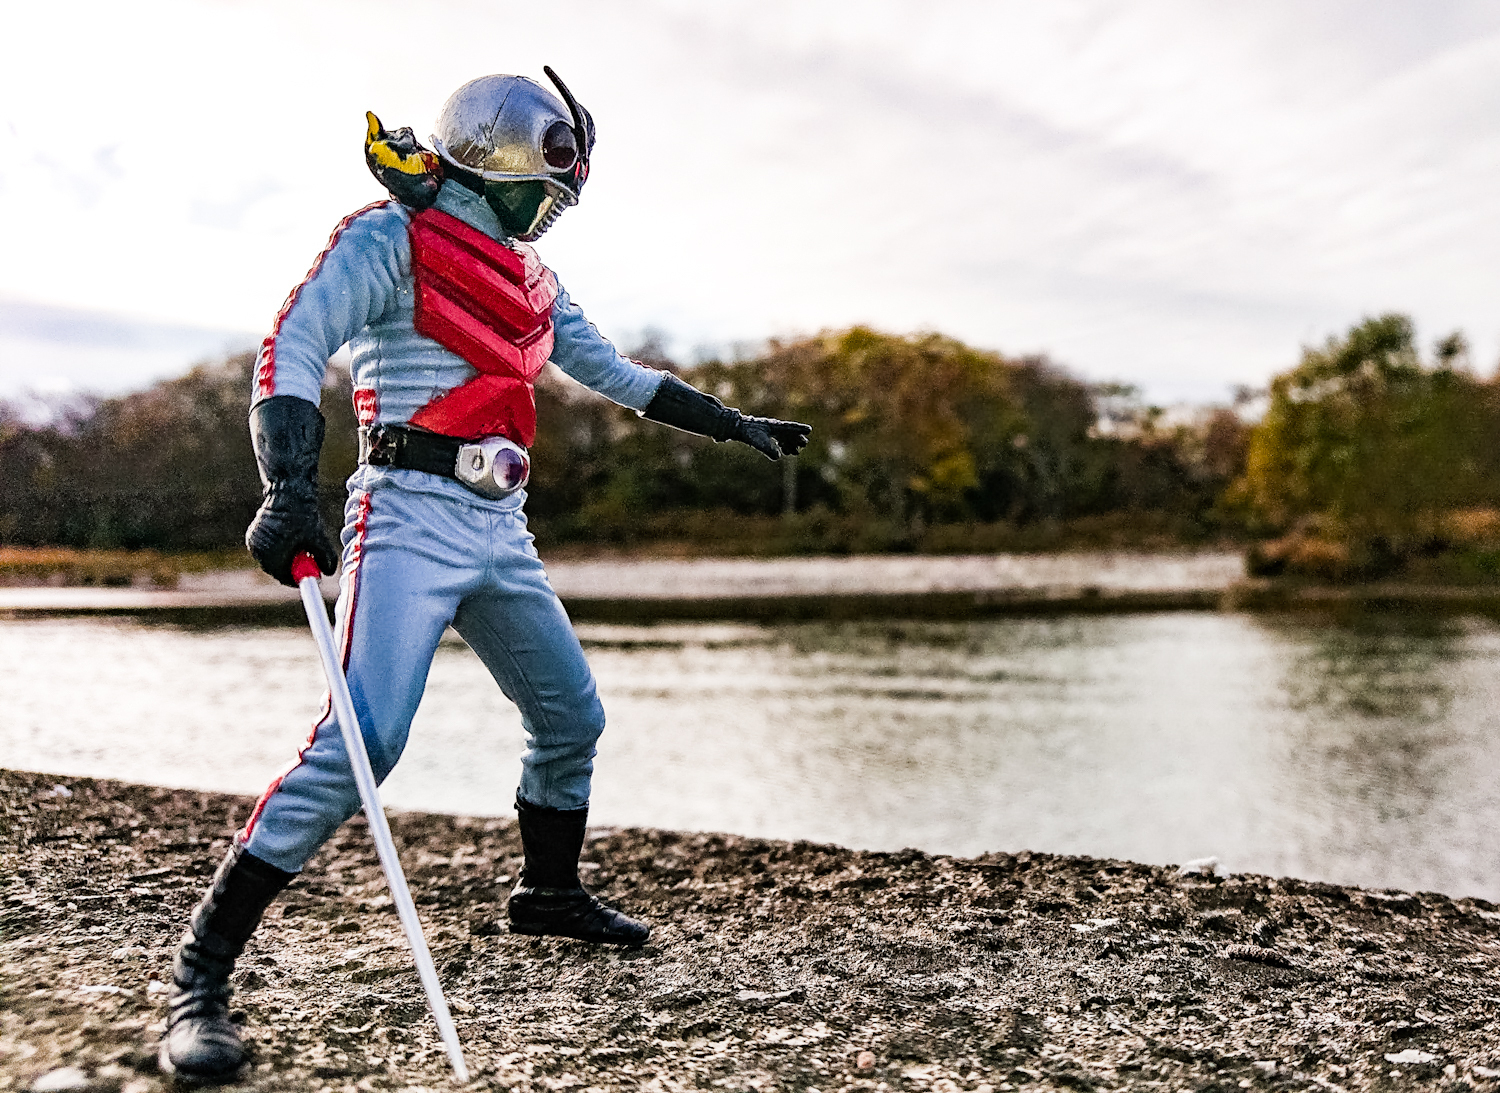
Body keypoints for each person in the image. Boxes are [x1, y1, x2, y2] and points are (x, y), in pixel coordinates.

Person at [159, 68, 811, 1083]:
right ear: (498, 161)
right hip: (406, 514)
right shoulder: (389, 238)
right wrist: (287, 486)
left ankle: (548, 893)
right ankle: (202, 973)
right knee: (362, 741)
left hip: (500, 523)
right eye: (546, 187)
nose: (553, 208)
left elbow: (618, 375)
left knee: (571, 716)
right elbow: (296, 340)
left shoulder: (534, 282)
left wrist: (731, 423)